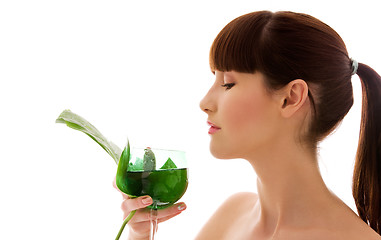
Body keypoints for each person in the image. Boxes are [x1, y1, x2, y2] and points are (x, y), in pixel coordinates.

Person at [114, 10, 381, 239]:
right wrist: (140, 235)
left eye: (227, 83)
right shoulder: (231, 215)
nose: (204, 101)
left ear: (290, 98)